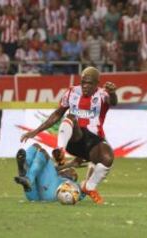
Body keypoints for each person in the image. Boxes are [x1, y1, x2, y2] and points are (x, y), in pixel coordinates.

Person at [21, 66, 117, 204]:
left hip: (92, 142)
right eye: (83, 82)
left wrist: (113, 93)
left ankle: (89, 186)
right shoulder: (72, 92)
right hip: (74, 137)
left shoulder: (102, 94)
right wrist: (36, 131)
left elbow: (113, 102)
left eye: (89, 83)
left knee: (108, 158)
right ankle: (60, 151)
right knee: (70, 117)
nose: (85, 86)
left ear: (97, 84)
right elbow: (57, 114)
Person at [14, 143, 85, 203]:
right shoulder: (54, 175)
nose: (68, 171)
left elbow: (85, 186)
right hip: (33, 196)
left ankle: (26, 171)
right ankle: (25, 170)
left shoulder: (69, 183)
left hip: (51, 191)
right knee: (36, 149)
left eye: (70, 172)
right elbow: (55, 169)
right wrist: (70, 164)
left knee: (42, 152)